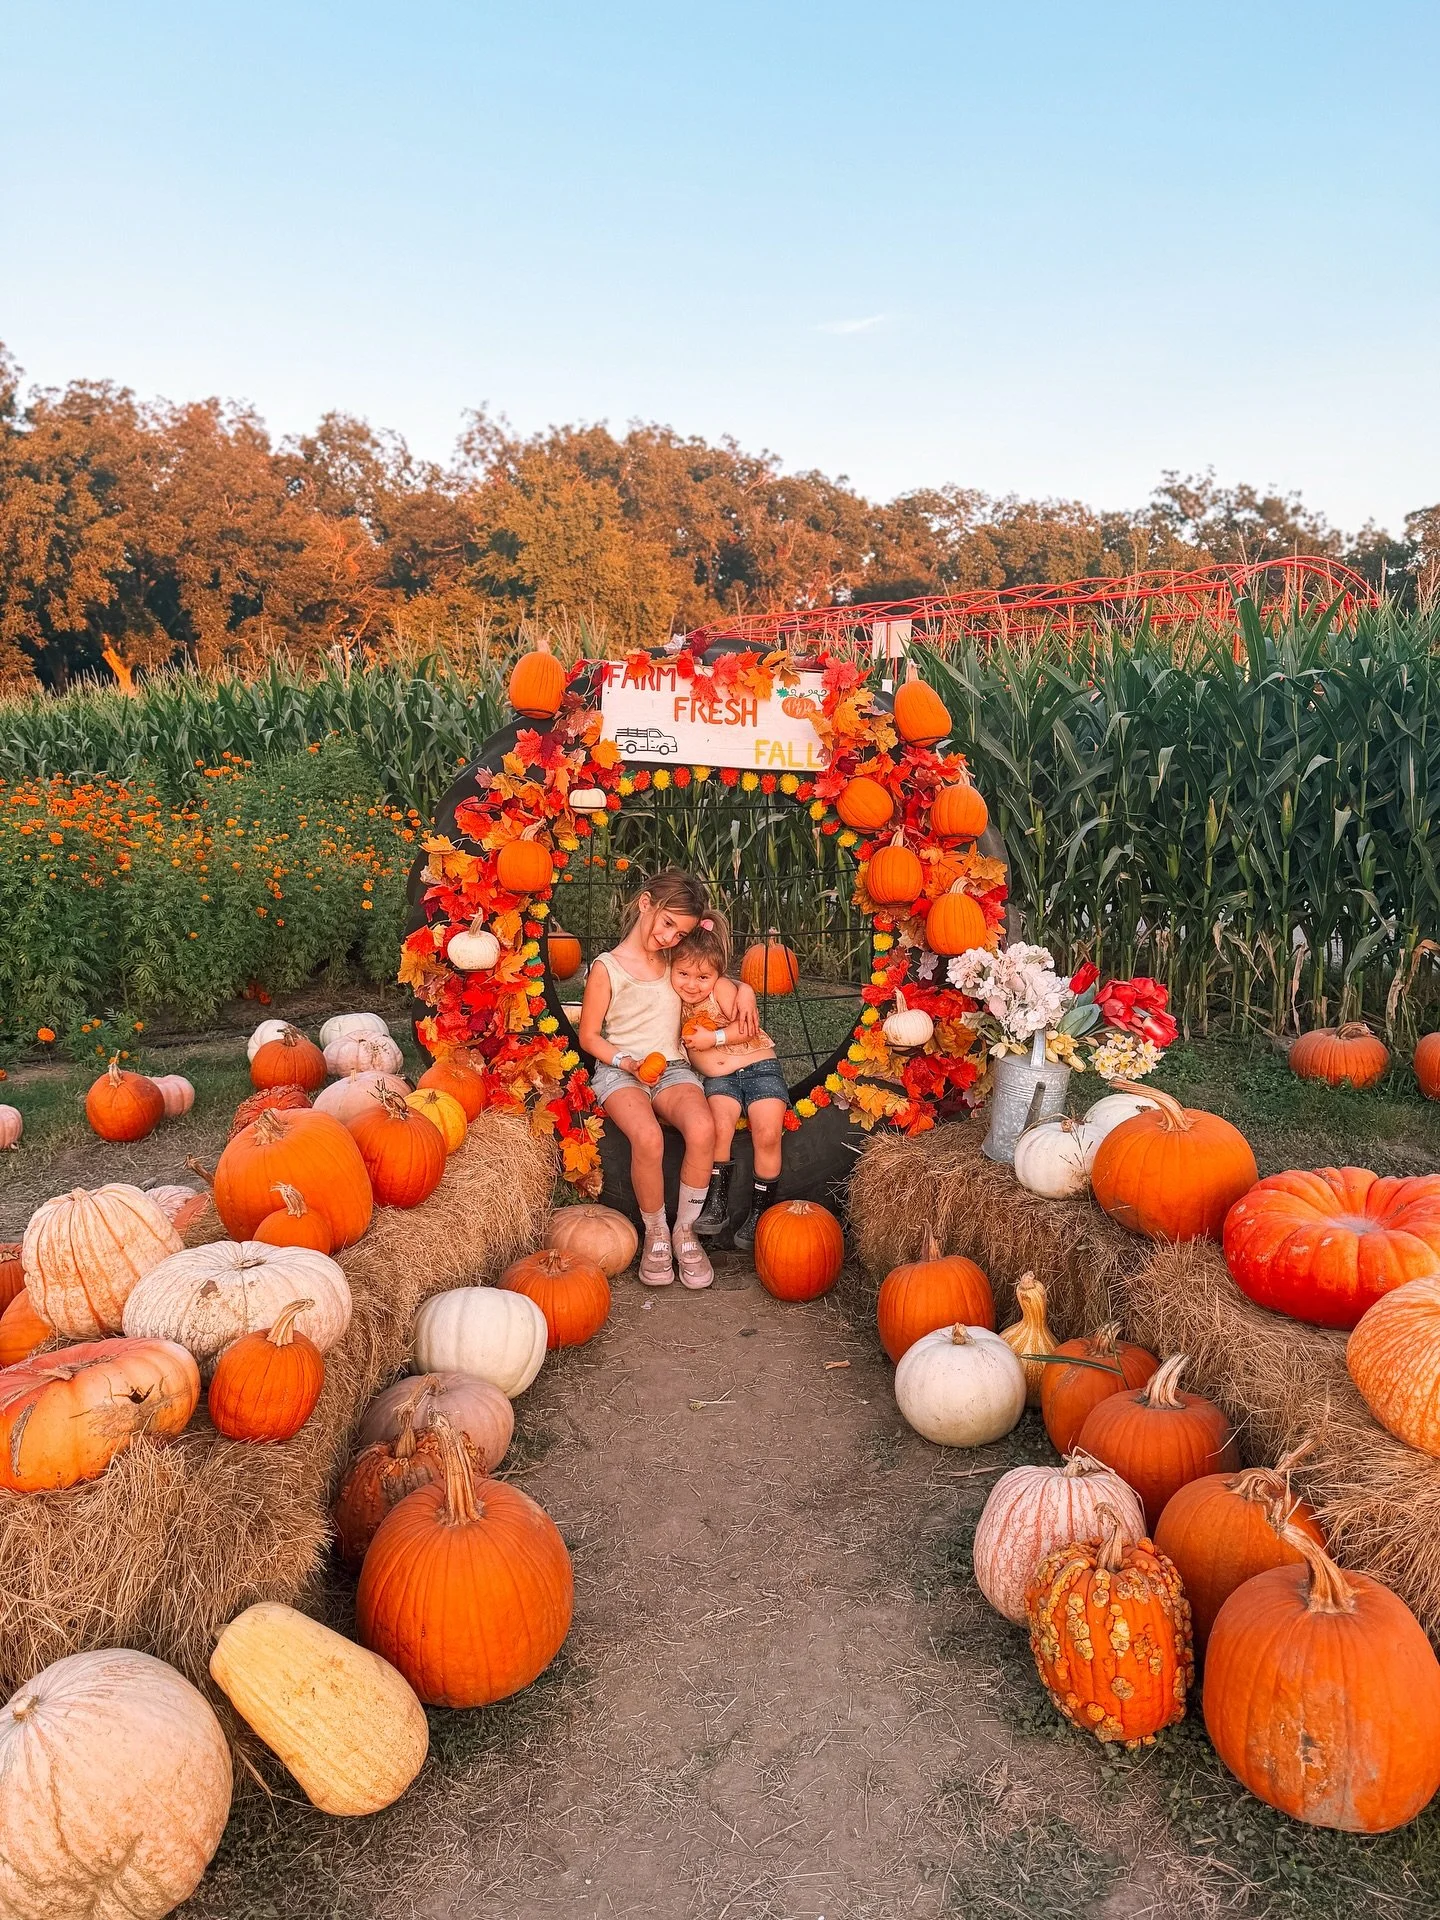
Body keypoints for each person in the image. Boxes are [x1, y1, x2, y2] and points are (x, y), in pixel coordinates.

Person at [577, 869, 759, 1288]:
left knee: (702, 1126)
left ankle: (685, 1232)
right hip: (620, 1070)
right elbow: (589, 1036)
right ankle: (656, 1230)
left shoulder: (675, 960)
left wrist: (743, 988)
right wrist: (627, 1064)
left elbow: (708, 972)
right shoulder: (608, 968)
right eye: (667, 924)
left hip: (673, 1067)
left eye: (681, 932)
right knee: (648, 1137)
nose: (671, 937)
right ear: (646, 904)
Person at [670, 922, 790, 1252]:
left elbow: (748, 1029)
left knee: (767, 1134)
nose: (693, 985)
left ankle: (758, 1214)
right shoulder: (671, 998)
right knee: (718, 1128)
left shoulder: (721, 988)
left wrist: (714, 1038)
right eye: (683, 975)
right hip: (720, 1079)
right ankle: (717, 1204)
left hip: (759, 1068)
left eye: (702, 977)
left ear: (716, 975)